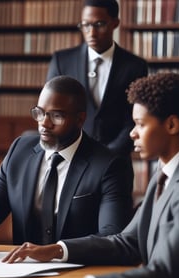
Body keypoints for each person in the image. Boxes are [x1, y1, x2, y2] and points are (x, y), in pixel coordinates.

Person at [3, 73, 179, 278]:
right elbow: (127, 241)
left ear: (172, 125)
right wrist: (56, 250)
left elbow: (164, 273)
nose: (132, 133)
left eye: (140, 124)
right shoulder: (162, 175)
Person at [0, 75, 133, 254]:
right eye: (40, 113)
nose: (44, 123)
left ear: (80, 119)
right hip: (23, 273)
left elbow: (112, 237)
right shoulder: (19, 151)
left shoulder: (110, 165)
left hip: (78, 273)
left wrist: (58, 251)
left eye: (56, 116)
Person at [46, 0, 148, 161]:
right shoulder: (62, 61)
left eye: (99, 24)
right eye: (85, 25)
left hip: (117, 161)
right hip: (72, 159)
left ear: (115, 23)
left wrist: (108, 154)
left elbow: (134, 118)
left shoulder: (135, 66)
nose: (91, 33)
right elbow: (51, 112)